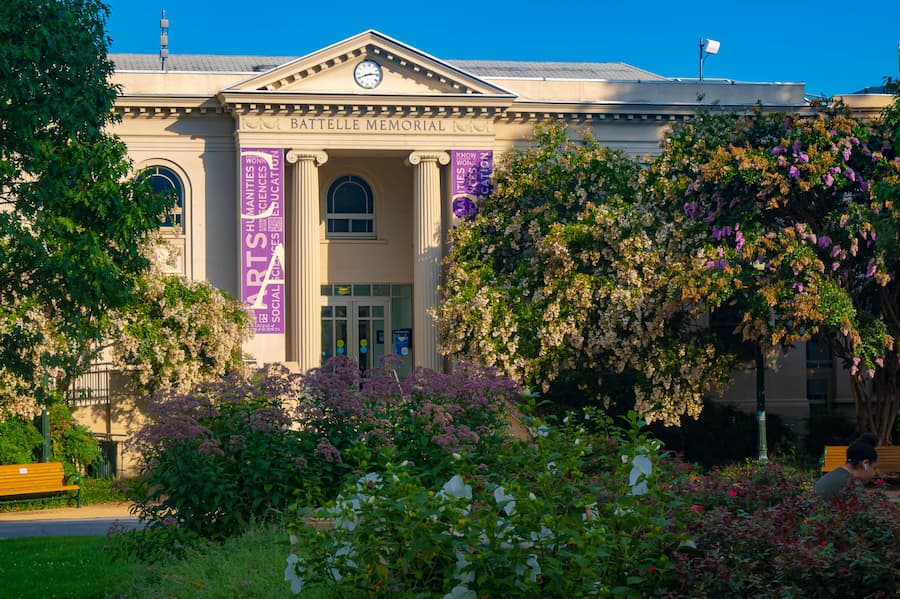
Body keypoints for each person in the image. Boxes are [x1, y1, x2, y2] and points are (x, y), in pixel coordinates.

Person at [813, 434, 879, 500]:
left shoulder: (832, 475)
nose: (874, 473)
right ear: (865, 464)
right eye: (874, 468)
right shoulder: (853, 486)